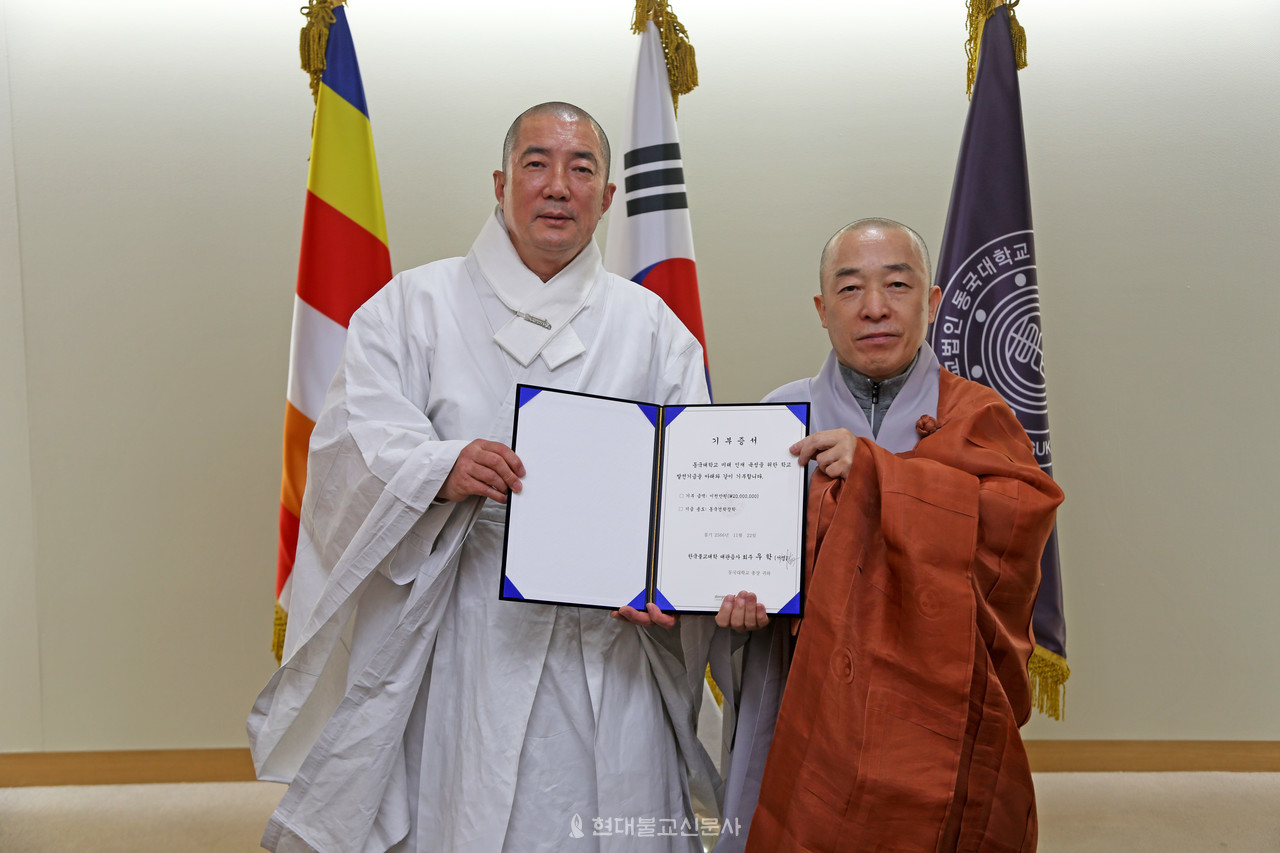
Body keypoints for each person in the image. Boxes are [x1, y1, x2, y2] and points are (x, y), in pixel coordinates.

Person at [248, 102, 720, 853]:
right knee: (465, 814)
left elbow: (692, 477)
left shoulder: (653, 326)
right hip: (464, 625)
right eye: (537, 164)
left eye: (582, 168)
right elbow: (350, 441)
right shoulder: (412, 306)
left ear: (609, 197)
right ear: (500, 185)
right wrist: (439, 467)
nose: (557, 186)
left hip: (607, 632)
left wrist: (667, 577)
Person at [714, 219, 1063, 852]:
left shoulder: (980, 417)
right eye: (850, 290)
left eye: (897, 285)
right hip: (805, 690)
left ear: (931, 303)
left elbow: (1015, 528)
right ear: (822, 310)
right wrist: (739, 609)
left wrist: (879, 476)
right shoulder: (775, 419)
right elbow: (738, 551)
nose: (875, 308)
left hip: (933, 704)